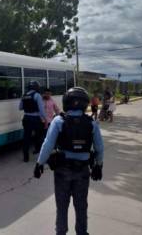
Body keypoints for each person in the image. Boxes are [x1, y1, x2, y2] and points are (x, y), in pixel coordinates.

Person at [33, 87, 104, 235]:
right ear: (85, 104)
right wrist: (99, 165)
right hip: (83, 171)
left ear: (66, 102)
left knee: (62, 206)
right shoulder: (92, 123)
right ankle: (82, 232)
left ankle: (61, 232)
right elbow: (99, 147)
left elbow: (48, 144)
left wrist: (39, 163)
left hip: (62, 171)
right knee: (81, 206)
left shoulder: (58, 120)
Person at [19, 80, 46, 162]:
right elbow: (41, 109)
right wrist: (45, 119)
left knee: (26, 138)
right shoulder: (37, 95)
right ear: (36, 87)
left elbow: (20, 108)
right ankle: (39, 152)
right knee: (39, 136)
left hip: (26, 118)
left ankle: (26, 157)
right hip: (35, 119)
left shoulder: (24, 95)